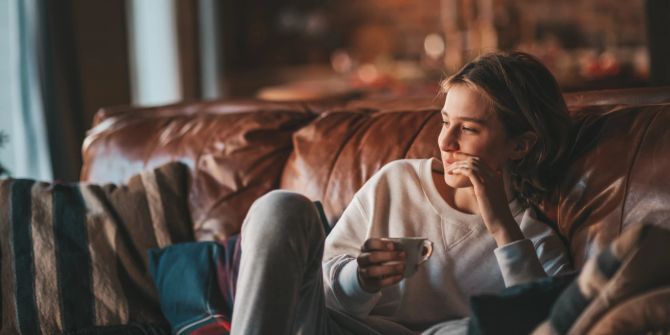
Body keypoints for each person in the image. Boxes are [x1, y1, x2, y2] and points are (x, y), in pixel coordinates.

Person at [231, 51, 573, 335]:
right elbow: (312, 295)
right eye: (444, 122)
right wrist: (360, 280)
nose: (446, 142)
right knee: (280, 206)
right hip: (339, 329)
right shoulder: (398, 181)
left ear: (521, 145)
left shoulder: (535, 242)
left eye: (468, 129)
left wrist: (502, 228)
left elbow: (542, 325)